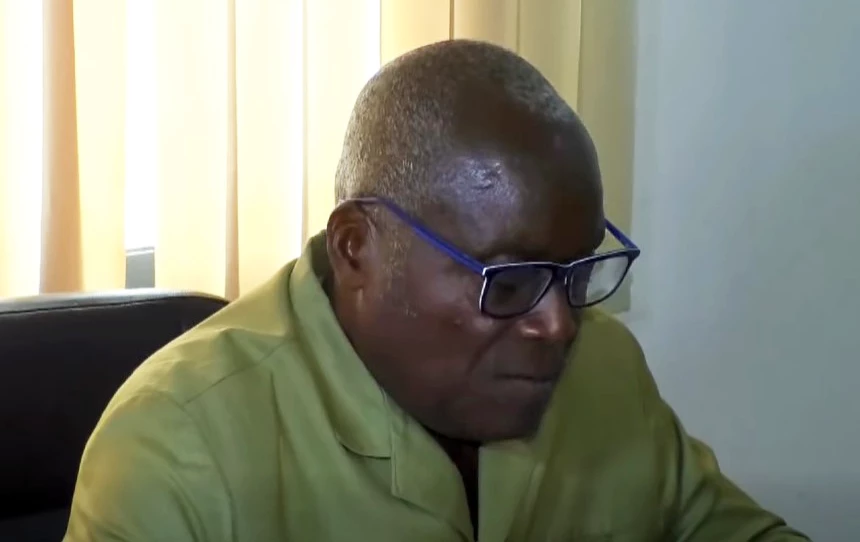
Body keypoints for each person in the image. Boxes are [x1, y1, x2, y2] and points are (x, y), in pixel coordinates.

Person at [64, 40, 809, 541]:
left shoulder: (604, 367)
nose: (557, 325)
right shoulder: (176, 450)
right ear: (358, 249)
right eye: (510, 280)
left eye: (575, 271)